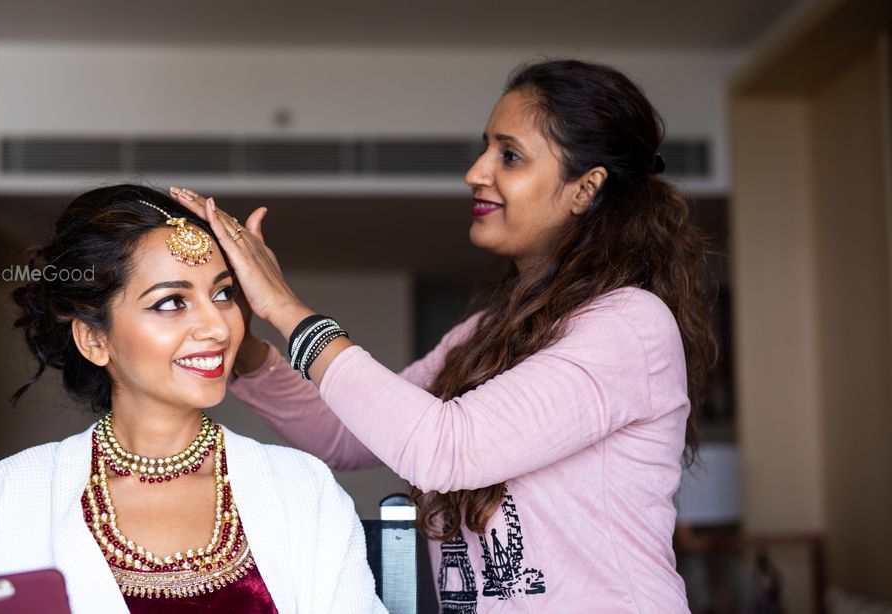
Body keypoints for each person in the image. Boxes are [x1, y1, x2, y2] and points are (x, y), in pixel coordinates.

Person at [168, 58, 715, 613]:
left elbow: (443, 449)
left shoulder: (628, 326)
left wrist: (286, 309)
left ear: (585, 188)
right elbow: (344, 431)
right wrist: (235, 336)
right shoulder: (484, 333)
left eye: (509, 155)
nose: (476, 172)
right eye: (485, 149)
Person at [0, 185, 385, 613]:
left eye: (223, 294)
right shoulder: (11, 496)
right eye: (171, 302)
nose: (217, 327)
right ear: (94, 340)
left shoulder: (300, 488)